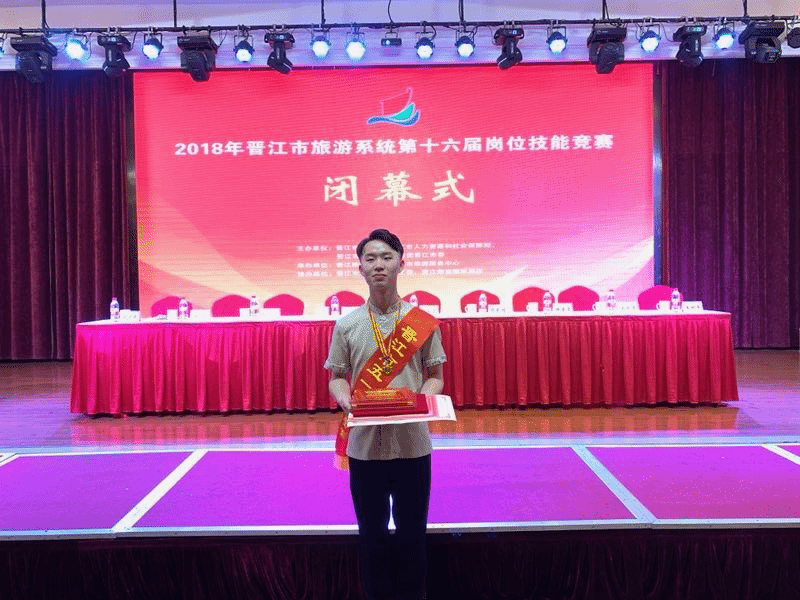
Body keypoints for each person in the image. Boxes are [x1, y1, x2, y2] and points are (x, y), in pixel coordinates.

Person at [325, 228, 446, 600]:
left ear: (401, 265)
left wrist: (422, 401)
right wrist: (344, 398)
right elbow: (336, 377)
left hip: (412, 446)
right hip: (365, 448)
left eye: (387, 257)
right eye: (371, 258)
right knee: (371, 536)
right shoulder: (346, 325)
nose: (379, 265)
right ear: (360, 268)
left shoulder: (421, 322)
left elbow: (436, 376)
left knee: (413, 534)